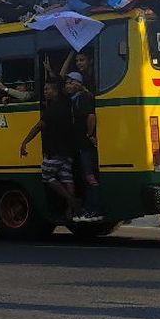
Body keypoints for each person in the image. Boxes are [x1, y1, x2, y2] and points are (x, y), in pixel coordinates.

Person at [19, 80, 77, 221]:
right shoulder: (66, 104)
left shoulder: (53, 109)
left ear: (55, 91)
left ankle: (72, 200)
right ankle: (71, 210)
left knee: (47, 175)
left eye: (47, 89)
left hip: (55, 150)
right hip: (68, 149)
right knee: (67, 177)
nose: (45, 92)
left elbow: (38, 127)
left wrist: (25, 142)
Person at [65, 72, 101, 222]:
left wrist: (89, 134)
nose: (68, 85)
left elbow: (91, 116)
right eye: (67, 83)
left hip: (86, 145)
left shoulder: (83, 97)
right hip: (80, 145)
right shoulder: (74, 99)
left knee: (90, 177)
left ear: (79, 84)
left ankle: (96, 209)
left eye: (71, 82)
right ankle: (89, 207)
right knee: (85, 177)